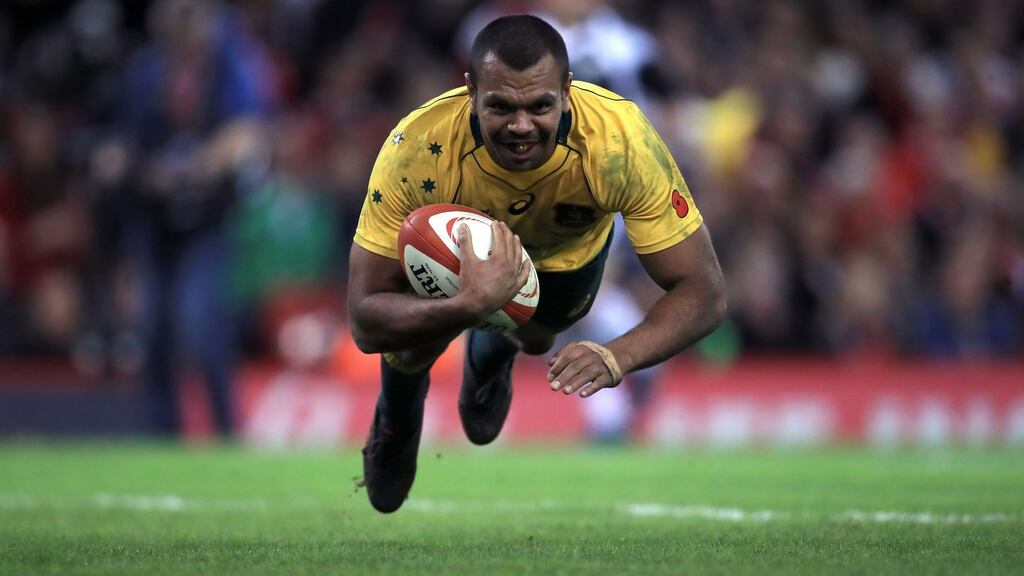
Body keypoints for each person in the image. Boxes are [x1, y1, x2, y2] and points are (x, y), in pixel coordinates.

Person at [347, 14, 726, 513]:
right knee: (407, 350)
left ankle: (492, 354)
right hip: (455, 268)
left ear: (568, 91)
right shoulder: (416, 150)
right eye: (500, 106)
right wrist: (467, 303)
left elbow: (705, 293)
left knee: (536, 335)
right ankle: (396, 416)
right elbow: (365, 320)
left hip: (564, 259)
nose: (521, 126)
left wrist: (618, 357)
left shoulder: (619, 142)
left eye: (540, 106)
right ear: (470, 92)